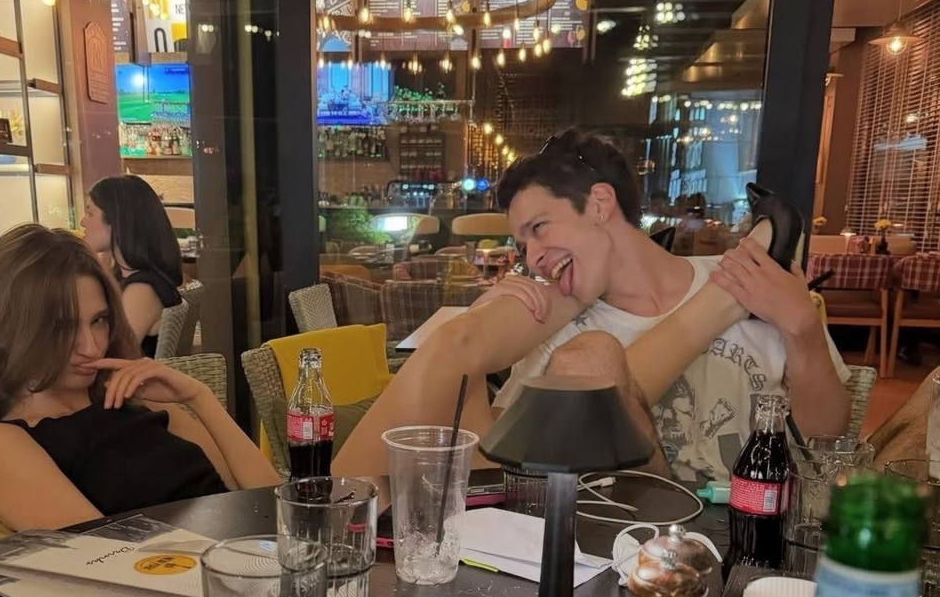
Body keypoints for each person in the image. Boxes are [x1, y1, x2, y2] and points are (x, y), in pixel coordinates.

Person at [336, 131, 851, 480]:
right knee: (588, 359)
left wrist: (802, 329)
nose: (532, 257)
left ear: (600, 203)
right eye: (522, 245)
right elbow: (510, 474)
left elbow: (826, 438)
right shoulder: (555, 332)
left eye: (540, 228)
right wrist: (483, 325)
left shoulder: (758, 284)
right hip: (632, 544)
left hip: (757, 524)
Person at [0, 225, 277, 531]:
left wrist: (198, 397)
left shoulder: (136, 399)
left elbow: (270, 503)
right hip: (193, 571)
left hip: (250, 555)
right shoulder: (1, 441)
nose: (90, 347)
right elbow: (103, 559)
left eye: (99, 320)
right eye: (62, 327)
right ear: (12, 329)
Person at [82, 175, 183, 357]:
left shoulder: (142, 291)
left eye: (90, 213)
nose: (83, 222)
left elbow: (113, 356)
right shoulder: (136, 277)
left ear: (117, 221)